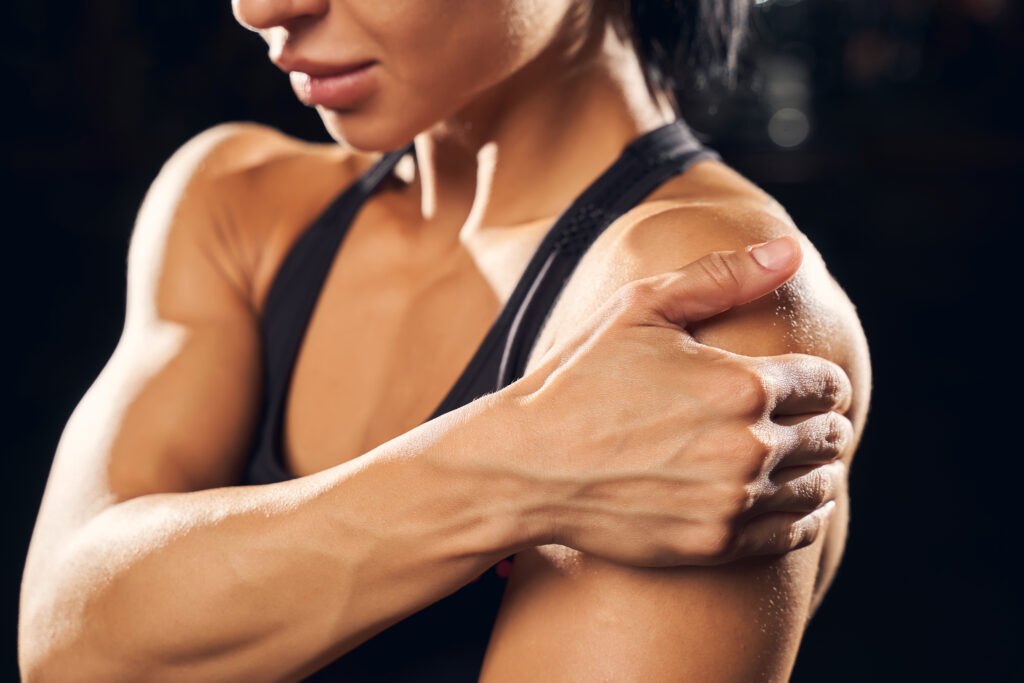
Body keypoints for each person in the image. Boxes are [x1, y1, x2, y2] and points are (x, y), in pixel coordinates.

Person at [18, 0, 871, 681]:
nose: (261, 7)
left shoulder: (707, 292)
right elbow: (70, 641)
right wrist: (517, 464)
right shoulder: (238, 207)